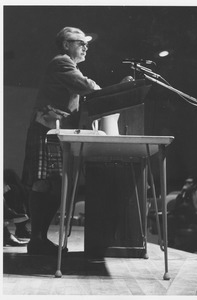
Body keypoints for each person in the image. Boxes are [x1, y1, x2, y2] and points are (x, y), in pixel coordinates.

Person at [21, 27, 101, 255]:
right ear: (66, 44)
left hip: (54, 131)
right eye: (80, 42)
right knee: (43, 183)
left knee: (54, 185)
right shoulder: (62, 62)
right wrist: (95, 86)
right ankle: (36, 239)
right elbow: (86, 86)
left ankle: (38, 238)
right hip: (45, 129)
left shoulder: (69, 64)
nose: (85, 47)